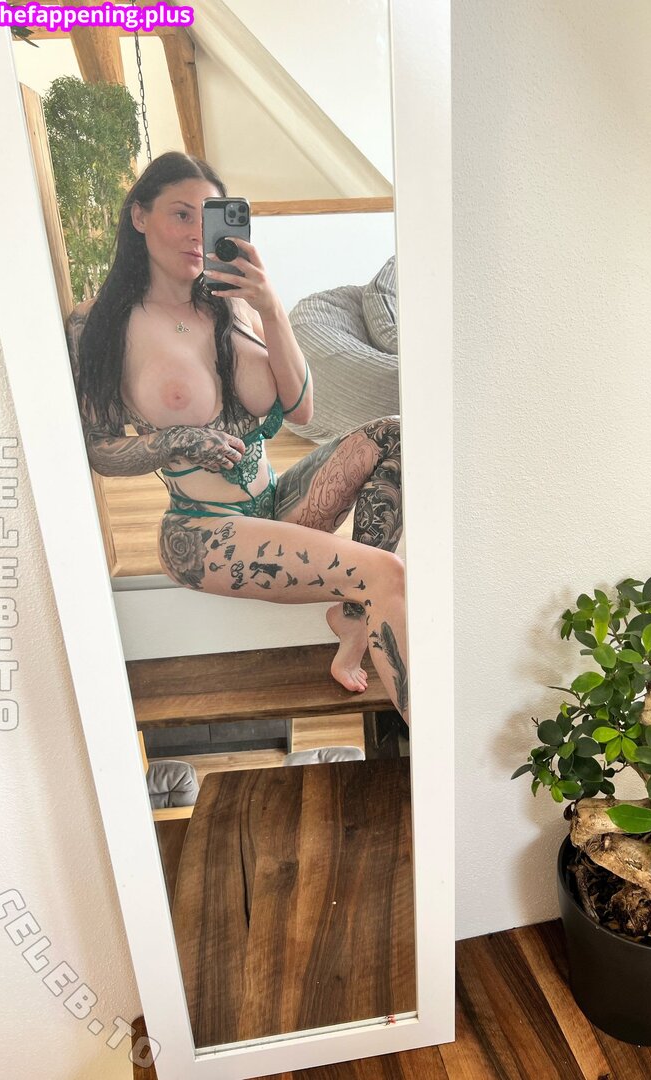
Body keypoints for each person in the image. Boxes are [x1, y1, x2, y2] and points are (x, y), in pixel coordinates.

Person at [65, 152, 407, 720]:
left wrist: (268, 305)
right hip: (201, 532)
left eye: (208, 217)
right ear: (140, 216)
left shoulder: (234, 307)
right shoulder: (98, 324)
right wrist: (176, 442)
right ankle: (433, 749)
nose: (196, 233)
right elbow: (99, 448)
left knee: (395, 434)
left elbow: (301, 410)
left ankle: (351, 620)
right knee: (386, 574)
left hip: (278, 503)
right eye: (181, 214)